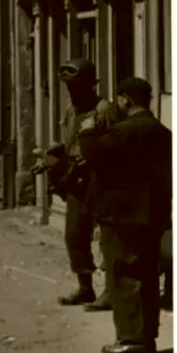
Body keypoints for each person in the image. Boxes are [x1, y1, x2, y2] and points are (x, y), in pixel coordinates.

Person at [78, 77, 170, 353]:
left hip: (122, 217)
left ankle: (131, 340)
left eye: (119, 99)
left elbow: (94, 156)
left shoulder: (124, 132)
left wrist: (86, 132)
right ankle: (146, 337)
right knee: (147, 276)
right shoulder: (163, 132)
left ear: (126, 100)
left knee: (123, 276)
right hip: (152, 215)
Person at [45, 58, 118, 310]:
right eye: (68, 87)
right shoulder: (70, 111)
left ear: (90, 85)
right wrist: (53, 158)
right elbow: (69, 145)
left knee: (107, 238)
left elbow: (114, 147)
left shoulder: (104, 110)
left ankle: (110, 290)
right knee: (74, 236)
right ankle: (85, 287)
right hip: (76, 182)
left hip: (102, 181)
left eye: (75, 86)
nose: (71, 92)